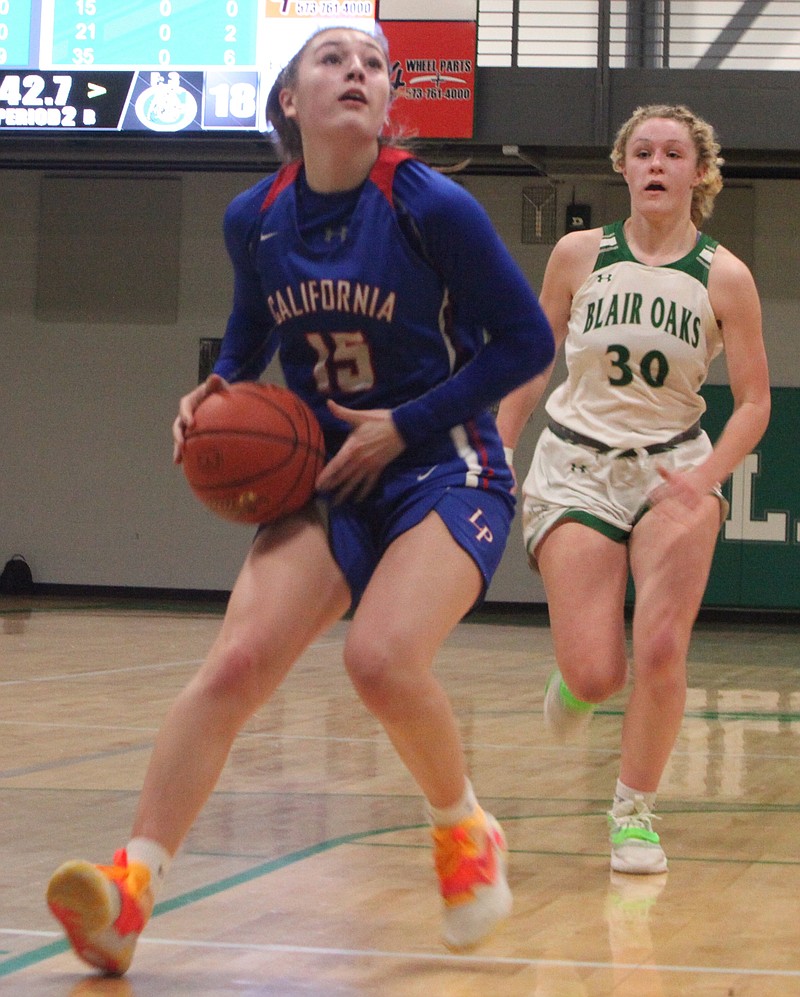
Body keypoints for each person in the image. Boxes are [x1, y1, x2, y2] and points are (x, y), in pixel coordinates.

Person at [46, 24, 555, 974]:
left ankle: (465, 831)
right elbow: (248, 336)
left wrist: (403, 425)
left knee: (381, 659)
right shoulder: (257, 218)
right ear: (289, 100)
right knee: (236, 661)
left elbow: (526, 344)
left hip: (444, 467)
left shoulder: (429, 206)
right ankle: (129, 889)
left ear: (387, 105)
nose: (357, 71)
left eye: (373, 66)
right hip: (326, 472)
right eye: (333, 59)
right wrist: (212, 394)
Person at [496, 104, 770, 875]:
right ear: (624, 167)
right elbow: (533, 353)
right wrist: (499, 441)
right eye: (642, 152)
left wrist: (709, 477)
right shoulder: (579, 254)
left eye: (672, 153)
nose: (656, 164)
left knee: (659, 646)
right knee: (596, 670)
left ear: (698, 173)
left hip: (674, 466)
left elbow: (754, 402)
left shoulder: (725, 275)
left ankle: (634, 813)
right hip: (577, 461)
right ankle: (580, 687)